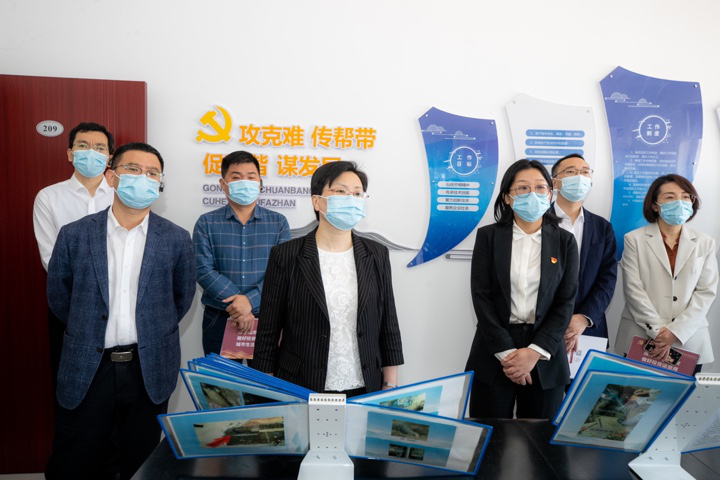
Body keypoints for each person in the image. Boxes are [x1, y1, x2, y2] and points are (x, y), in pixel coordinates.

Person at [45, 142, 196, 480]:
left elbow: (181, 298)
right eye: (133, 169)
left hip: (147, 368)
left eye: (152, 173)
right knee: (76, 459)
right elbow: (59, 296)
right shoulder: (74, 234)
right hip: (89, 365)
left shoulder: (176, 239)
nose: (143, 178)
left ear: (160, 184)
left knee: (139, 462)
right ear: (111, 177)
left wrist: (151, 327)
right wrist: (88, 329)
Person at [253, 161, 404, 396]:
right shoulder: (287, 255)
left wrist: (390, 384)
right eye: (341, 191)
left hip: (365, 385)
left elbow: (388, 323)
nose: (351, 199)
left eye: (357, 193)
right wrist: (268, 387)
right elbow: (268, 330)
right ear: (316, 201)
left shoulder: (376, 254)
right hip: (300, 383)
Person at [465, 159, 578, 419]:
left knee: (540, 440)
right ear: (507, 197)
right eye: (523, 188)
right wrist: (509, 356)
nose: (533, 194)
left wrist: (534, 353)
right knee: (490, 436)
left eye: (540, 187)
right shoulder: (488, 237)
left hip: (545, 353)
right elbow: (481, 297)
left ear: (550, 194)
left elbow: (565, 302)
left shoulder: (565, 242)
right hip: (495, 350)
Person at [33, 122, 116, 386]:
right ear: (70, 153)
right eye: (83, 145)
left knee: (116, 384)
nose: (91, 152)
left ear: (109, 157)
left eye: (99, 147)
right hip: (71, 304)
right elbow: (51, 259)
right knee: (72, 383)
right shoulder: (49, 197)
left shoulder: (123, 195)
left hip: (119, 303)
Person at [615, 174, 717, 373]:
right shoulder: (634, 239)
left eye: (685, 197)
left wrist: (675, 332)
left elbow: (706, 292)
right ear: (655, 205)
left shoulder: (705, 242)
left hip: (688, 341)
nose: (679, 202)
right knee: (636, 393)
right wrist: (658, 333)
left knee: (679, 394)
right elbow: (633, 290)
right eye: (670, 197)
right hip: (641, 338)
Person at [193, 151, 290, 355]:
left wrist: (250, 301)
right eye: (236, 177)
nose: (244, 182)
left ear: (260, 183)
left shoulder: (278, 223)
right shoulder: (206, 222)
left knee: (265, 375)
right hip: (219, 318)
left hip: (266, 318)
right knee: (220, 377)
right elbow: (202, 270)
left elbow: (283, 272)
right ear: (223, 184)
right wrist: (239, 304)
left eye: (251, 176)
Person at [550, 153, 617, 354]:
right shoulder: (538, 221)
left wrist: (584, 318)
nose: (579, 177)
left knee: (585, 375)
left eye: (585, 172)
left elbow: (607, 278)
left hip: (588, 328)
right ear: (555, 182)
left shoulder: (602, 227)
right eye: (571, 172)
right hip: (544, 327)